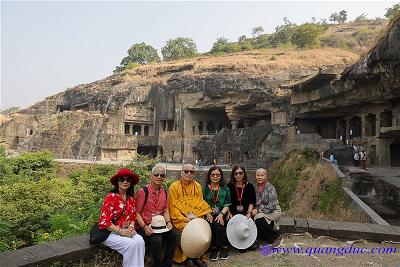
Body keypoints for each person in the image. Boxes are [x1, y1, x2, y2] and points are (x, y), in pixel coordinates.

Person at [98, 168, 145, 267]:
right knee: (131, 245)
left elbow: (133, 217)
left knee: (140, 240)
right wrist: (120, 231)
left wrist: (131, 228)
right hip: (110, 232)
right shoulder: (111, 197)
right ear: (117, 182)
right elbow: (104, 221)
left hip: (126, 230)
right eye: (121, 179)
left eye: (128, 180)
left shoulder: (131, 199)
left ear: (131, 183)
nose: (125, 182)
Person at [135, 165, 179, 267]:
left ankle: (167, 261)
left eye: (162, 175)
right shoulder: (143, 191)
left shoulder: (165, 192)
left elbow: (166, 209)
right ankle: (157, 264)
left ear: (164, 178)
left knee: (175, 235)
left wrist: (168, 222)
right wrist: (145, 227)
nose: (159, 177)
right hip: (145, 226)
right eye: (156, 174)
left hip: (160, 226)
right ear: (151, 176)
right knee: (157, 239)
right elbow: (137, 213)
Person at [168, 164, 207, 267]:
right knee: (187, 231)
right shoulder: (174, 187)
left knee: (199, 229)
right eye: (186, 171)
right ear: (181, 172)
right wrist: (185, 219)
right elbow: (173, 208)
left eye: (191, 172)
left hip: (195, 218)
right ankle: (188, 258)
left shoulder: (197, 186)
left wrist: (196, 219)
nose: (189, 174)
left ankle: (196, 256)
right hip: (180, 220)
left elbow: (200, 205)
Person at [203, 166, 231, 261]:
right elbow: (202, 203)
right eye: (213, 174)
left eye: (218, 174)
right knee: (209, 224)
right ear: (209, 176)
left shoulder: (225, 188)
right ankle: (214, 248)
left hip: (221, 213)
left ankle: (224, 247)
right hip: (209, 213)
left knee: (219, 224)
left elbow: (227, 203)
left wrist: (221, 214)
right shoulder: (205, 189)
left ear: (221, 176)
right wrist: (207, 214)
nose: (215, 176)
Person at [226, 165, 257, 251]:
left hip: (245, 213)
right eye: (236, 173)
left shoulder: (249, 186)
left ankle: (250, 241)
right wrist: (228, 213)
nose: (238, 175)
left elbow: (252, 202)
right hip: (233, 213)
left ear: (244, 174)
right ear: (233, 175)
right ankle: (237, 241)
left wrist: (249, 212)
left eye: (240, 173)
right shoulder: (229, 186)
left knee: (246, 222)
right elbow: (226, 202)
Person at [251, 168, 281, 245]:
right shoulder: (254, 188)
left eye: (262, 175)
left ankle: (274, 237)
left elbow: (272, 205)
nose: (260, 177)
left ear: (266, 176)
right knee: (252, 218)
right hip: (260, 210)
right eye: (258, 175)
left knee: (259, 220)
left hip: (273, 210)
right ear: (255, 176)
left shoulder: (270, 188)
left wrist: (258, 210)